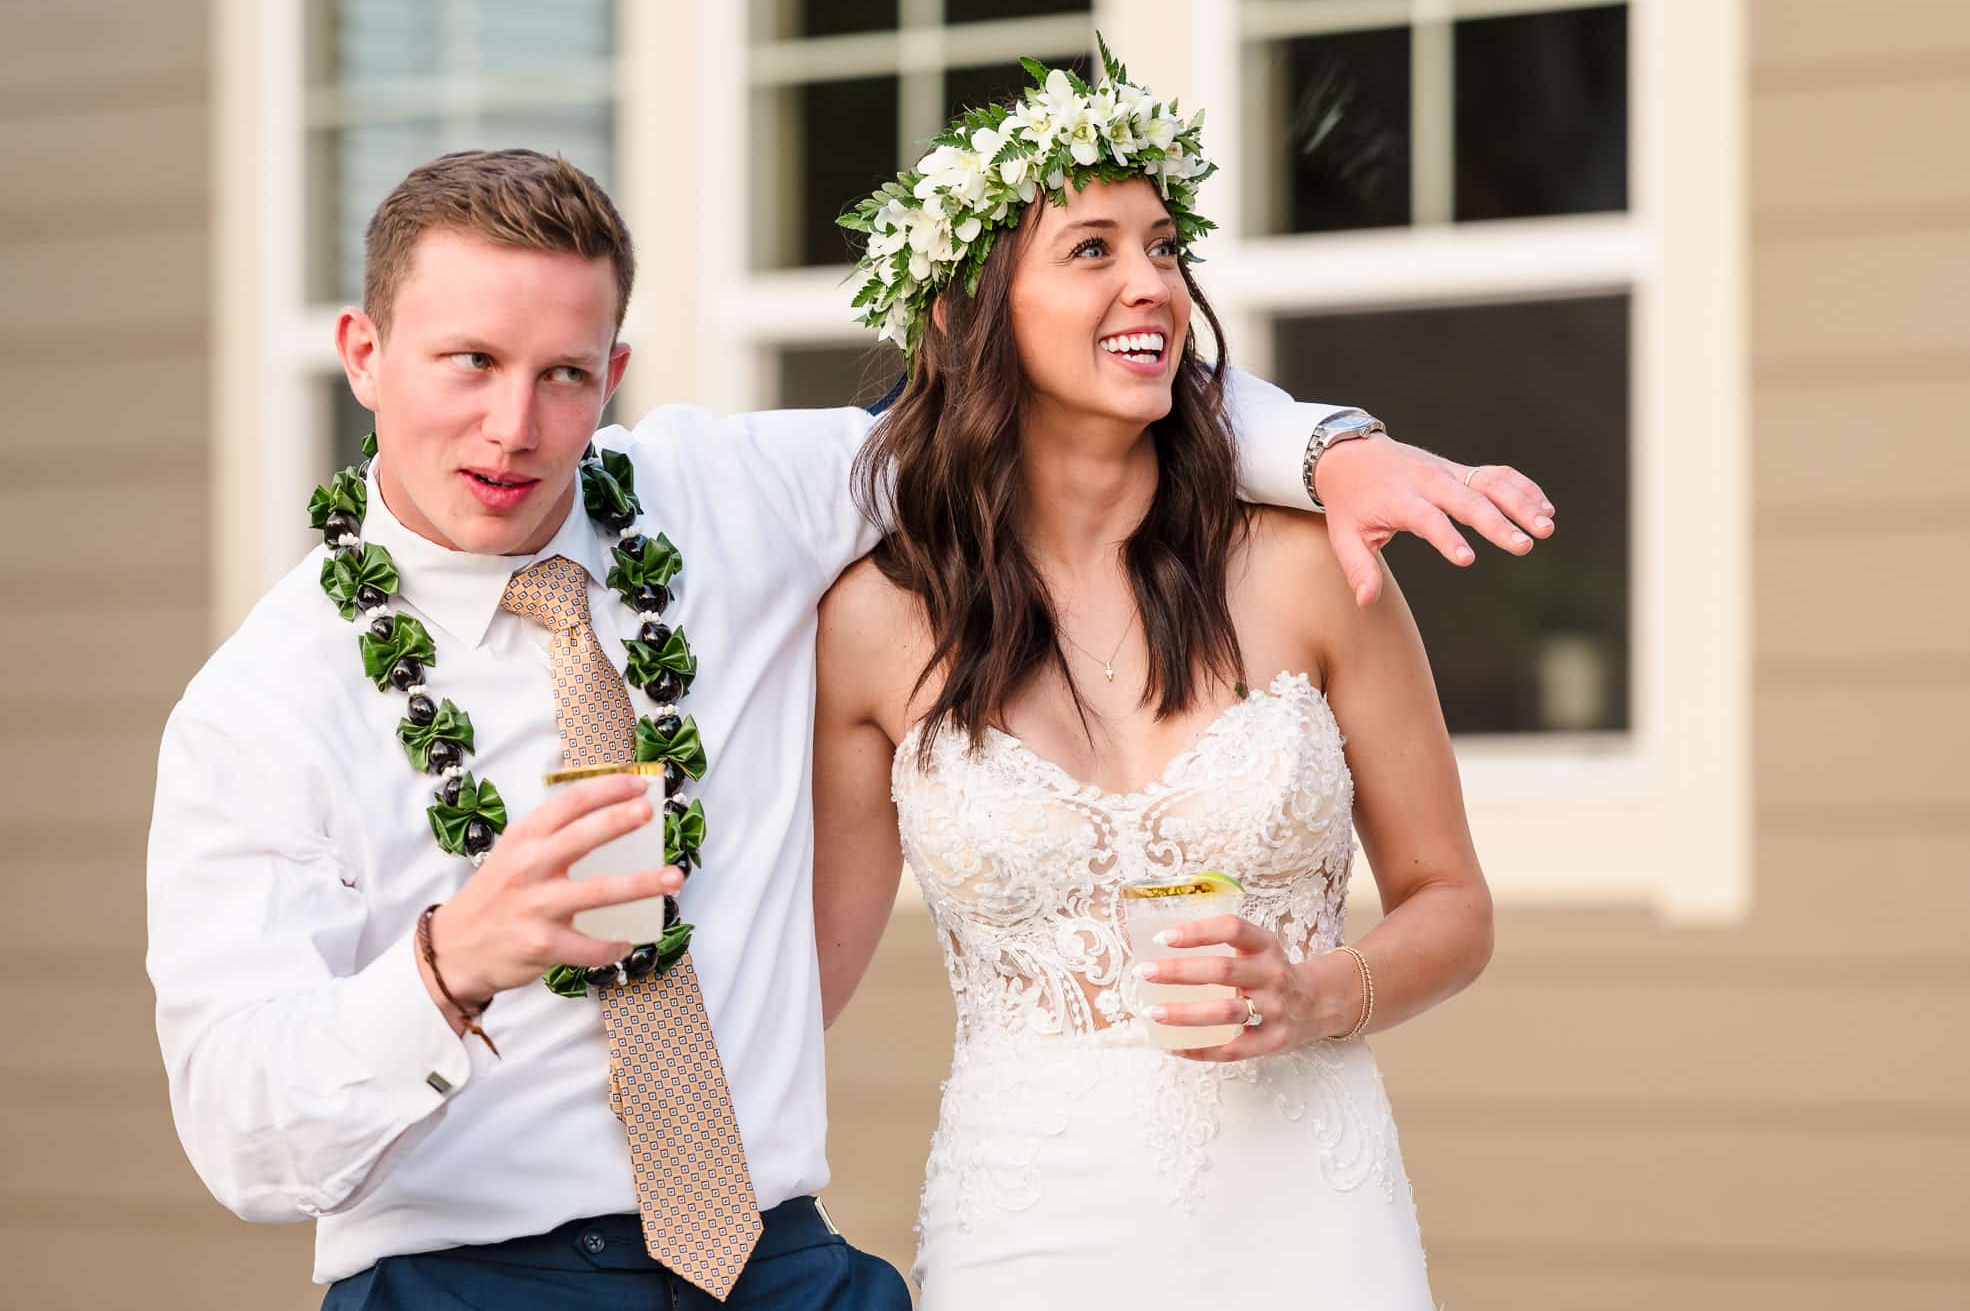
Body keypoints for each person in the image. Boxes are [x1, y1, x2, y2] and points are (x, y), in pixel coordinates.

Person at [144, 144, 1542, 1309]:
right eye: (468, 361)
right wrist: (452, 959)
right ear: (363, 351)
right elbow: (241, 1132)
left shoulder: (721, 494)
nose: (516, 423)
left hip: (774, 1259)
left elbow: (1053, 393)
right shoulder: (261, 710)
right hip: (465, 1274)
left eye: (566, 372)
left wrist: (1329, 446)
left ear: (614, 365)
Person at [811, 44, 1503, 1306]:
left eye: (1166, 245)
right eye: (1092, 249)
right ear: (969, 311)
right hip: (1027, 1218)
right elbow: (800, 981)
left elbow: (1451, 903)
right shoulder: (873, 622)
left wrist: (1314, 993)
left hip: (1313, 1214)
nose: (1152, 284)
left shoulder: (1307, 572)